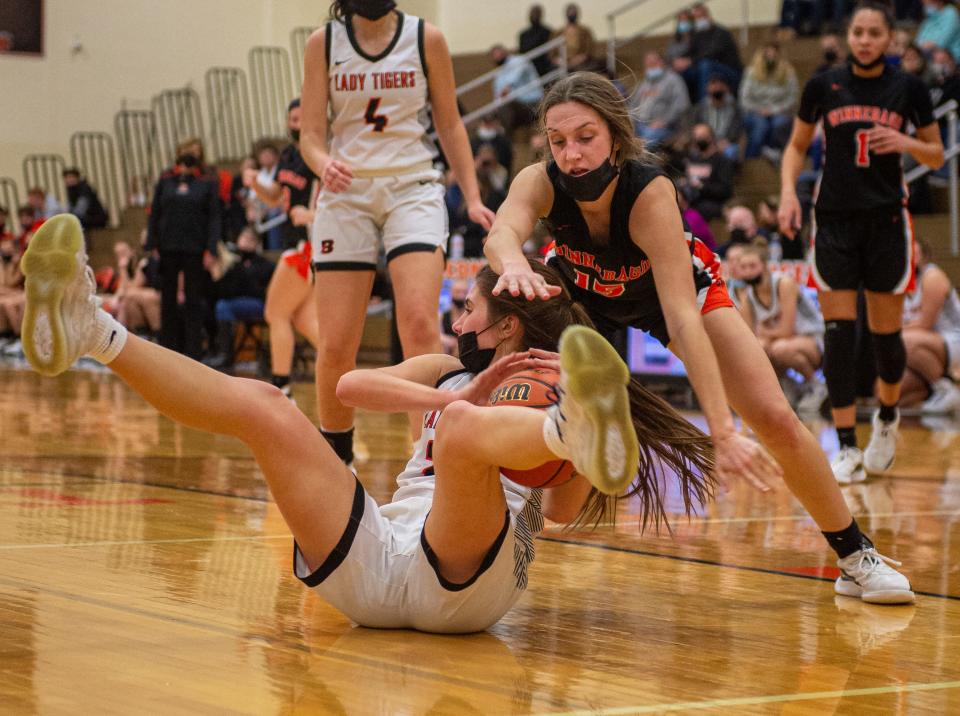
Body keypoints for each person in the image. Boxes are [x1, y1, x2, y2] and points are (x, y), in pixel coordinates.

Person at [19, 215, 722, 632]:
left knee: (463, 437)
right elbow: (350, 387)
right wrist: (464, 389)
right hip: (375, 558)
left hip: (473, 578)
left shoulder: (558, 380)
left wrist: (553, 445)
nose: (456, 321)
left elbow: (563, 513)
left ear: (506, 325)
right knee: (267, 406)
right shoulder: (447, 367)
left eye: (467, 312)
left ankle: (565, 434)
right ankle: (93, 331)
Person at [484, 70, 915, 604]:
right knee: (560, 507)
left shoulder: (649, 192)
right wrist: (510, 264)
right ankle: (494, 491)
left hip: (676, 294)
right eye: (558, 141)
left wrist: (723, 429)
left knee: (775, 419)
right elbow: (503, 230)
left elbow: (682, 316)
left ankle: (855, 555)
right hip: (583, 293)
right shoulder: (540, 180)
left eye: (585, 138)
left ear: (615, 137)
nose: (571, 154)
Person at [300, 1, 496, 466]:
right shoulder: (322, 42)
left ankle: (425, 456)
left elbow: (449, 124)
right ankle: (337, 459)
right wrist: (322, 162)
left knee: (419, 323)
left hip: (413, 186)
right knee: (336, 342)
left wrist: (471, 197)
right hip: (346, 192)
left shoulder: (426, 38)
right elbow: (309, 134)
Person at [779, 1, 944, 484]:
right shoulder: (823, 85)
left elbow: (936, 154)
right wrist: (789, 192)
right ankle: (847, 446)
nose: (865, 40)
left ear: (890, 38)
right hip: (832, 222)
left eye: (874, 32)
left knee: (885, 339)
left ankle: (887, 417)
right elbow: (794, 146)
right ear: (848, 36)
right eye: (858, 32)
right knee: (837, 335)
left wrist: (907, 144)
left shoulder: (908, 87)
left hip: (888, 222)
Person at [244, 98, 321, 399]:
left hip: (308, 245)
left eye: (302, 118)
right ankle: (348, 372)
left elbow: (341, 203)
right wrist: (256, 185)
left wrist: (312, 215)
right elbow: (277, 196)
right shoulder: (288, 154)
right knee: (303, 320)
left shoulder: (321, 154)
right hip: (298, 244)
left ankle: (281, 387)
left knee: (275, 312)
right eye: (292, 118)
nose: (296, 123)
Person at [145, 147, 222, 360]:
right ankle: (167, 348)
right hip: (168, 247)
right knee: (167, 299)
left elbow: (214, 218)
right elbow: (155, 214)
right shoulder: (165, 181)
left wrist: (211, 249)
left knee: (193, 300)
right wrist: (152, 243)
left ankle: (193, 352)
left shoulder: (207, 183)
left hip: (195, 248)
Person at [736, 242, 828, 414]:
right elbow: (749, 337)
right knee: (758, 349)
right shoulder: (748, 295)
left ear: (764, 265)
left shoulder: (783, 283)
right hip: (782, 342)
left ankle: (816, 386)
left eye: (752, 266)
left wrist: (764, 333)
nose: (748, 271)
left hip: (814, 339)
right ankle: (788, 386)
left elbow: (787, 330)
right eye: (743, 267)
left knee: (779, 348)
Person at [901, 239, 960, 412]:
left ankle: (945, 388)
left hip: (953, 339)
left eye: (915, 253)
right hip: (925, 347)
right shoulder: (899, 286)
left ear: (924, 257)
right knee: (891, 392)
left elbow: (926, 324)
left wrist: (892, 332)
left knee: (901, 340)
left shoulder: (932, 276)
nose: (910, 257)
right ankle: (933, 392)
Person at [205, 227, 276, 370]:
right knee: (213, 305)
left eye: (249, 239)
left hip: (260, 305)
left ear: (257, 243)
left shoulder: (265, 264)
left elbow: (260, 291)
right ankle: (216, 350)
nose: (244, 241)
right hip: (236, 303)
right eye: (243, 237)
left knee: (222, 306)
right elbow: (225, 290)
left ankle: (226, 356)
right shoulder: (233, 262)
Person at [739, 43, 799, 160]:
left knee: (779, 124)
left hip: (780, 111)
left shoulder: (788, 73)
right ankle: (751, 159)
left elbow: (793, 98)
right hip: (755, 112)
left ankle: (777, 155)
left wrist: (774, 110)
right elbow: (744, 99)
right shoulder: (751, 72)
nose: (770, 56)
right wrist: (759, 110)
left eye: (774, 53)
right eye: (767, 53)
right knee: (760, 126)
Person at [677, 3, 743, 101]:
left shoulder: (721, 33)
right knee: (684, 71)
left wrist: (690, 61)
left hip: (730, 71)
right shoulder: (697, 35)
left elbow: (712, 53)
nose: (699, 20)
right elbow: (690, 52)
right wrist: (679, 61)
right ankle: (684, 106)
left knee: (705, 65)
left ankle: (704, 105)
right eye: (696, 18)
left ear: (708, 15)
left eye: (701, 16)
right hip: (704, 67)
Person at [630, 52, 690, 149]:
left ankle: (641, 161)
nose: (651, 66)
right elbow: (632, 105)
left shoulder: (674, 80)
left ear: (662, 62)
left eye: (654, 63)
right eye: (648, 64)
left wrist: (664, 121)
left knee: (647, 138)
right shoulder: (643, 83)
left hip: (663, 127)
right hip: (639, 125)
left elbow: (682, 104)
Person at [681, 123, 736, 220]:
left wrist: (702, 186)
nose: (698, 140)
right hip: (691, 200)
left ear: (711, 137)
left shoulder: (722, 161)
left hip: (711, 203)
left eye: (702, 137)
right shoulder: (693, 159)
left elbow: (725, 190)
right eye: (696, 137)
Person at [686, 75, 743, 162]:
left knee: (731, 152)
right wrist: (709, 143)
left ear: (727, 88)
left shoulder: (735, 108)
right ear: (707, 88)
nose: (717, 87)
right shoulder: (700, 108)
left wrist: (726, 141)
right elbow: (695, 127)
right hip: (705, 142)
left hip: (726, 143)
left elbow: (736, 129)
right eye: (714, 84)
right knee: (693, 153)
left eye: (721, 84)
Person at [489, 44, 543, 133]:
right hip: (516, 106)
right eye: (494, 55)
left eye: (499, 53)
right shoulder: (498, 73)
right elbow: (497, 95)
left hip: (532, 101)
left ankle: (507, 136)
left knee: (505, 106)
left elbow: (516, 75)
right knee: (495, 111)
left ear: (505, 52)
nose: (497, 57)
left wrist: (507, 87)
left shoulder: (519, 60)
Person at [554, 4, 597, 72]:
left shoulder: (585, 31)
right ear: (566, 14)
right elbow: (552, 53)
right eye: (570, 12)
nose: (571, 14)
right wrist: (559, 61)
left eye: (573, 13)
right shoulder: (558, 32)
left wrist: (577, 60)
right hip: (562, 63)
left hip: (580, 63)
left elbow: (589, 50)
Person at [518, 4, 553, 76]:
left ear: (540, 15)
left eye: (536, 13)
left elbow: (550, 52)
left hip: (544, 67)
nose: (534, 16)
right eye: (532, 13)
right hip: (528, 67)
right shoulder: (523, 35)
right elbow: (521, 52)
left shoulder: (547, 32)